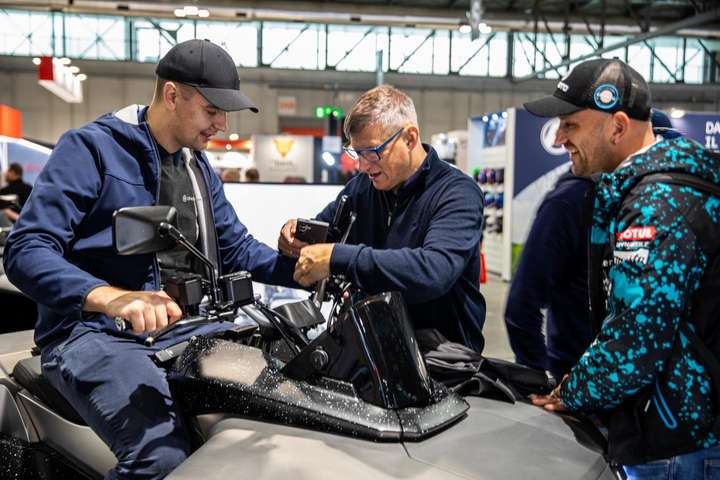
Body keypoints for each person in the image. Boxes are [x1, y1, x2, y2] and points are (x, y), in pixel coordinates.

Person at [3, 39, 296, 479]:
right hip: (92, 334)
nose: (221, 122)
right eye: (212, 109)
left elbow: (235, 247)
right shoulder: (91, 149)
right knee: (162, 459)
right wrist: (111, 298)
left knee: (276, 415)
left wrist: (312, 269)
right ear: (173, 94)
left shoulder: (197, 167)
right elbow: (26, 249)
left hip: (188, 327)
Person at [525, 58, 720, 479]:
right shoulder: (652, 189)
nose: (558, 138)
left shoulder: (658, 203)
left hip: (676, 442)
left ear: (617, 125)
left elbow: (637, 339)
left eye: (570, 125)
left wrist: (572, 393)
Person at [278, 85, 486, 352]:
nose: (363, 166)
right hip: (374, 353)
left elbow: (433, 270)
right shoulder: (362, 189)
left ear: (410, 138)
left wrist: (337, 257)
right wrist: (296, 236)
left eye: (373, 152)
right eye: (357, 153)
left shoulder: (457, 193)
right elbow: (325, 234)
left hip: (441, 364)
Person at [504, 168, 594, 380]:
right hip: (574, 374)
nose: (560, 140)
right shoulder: (568, 201)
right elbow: (521, 305)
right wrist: (537, 380)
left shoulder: (641, 194)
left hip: (638, 381)